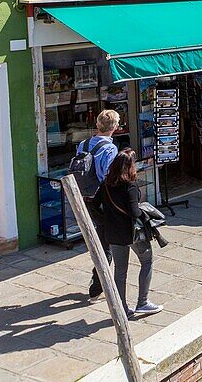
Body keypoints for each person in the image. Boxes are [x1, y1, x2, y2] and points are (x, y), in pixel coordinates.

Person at [91, 149, 162, 318]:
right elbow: (134, 212)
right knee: (147, 262)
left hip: (113, 234)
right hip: (132, 233)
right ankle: (143, 302)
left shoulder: (106, 185)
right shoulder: (130, 186)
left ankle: (121, 308)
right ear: (130, 167)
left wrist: (105, 220)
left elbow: (94, 206)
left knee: (120, 271)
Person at [81, 110, 120, 300]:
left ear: (98, 125)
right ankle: (97, 287)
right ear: (115, 128)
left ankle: (97, 283)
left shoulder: (83, 144)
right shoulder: (110, 149)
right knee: (106, 244)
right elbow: (108, 177)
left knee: (99, 238)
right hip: (101, 199)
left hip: (85, 198)